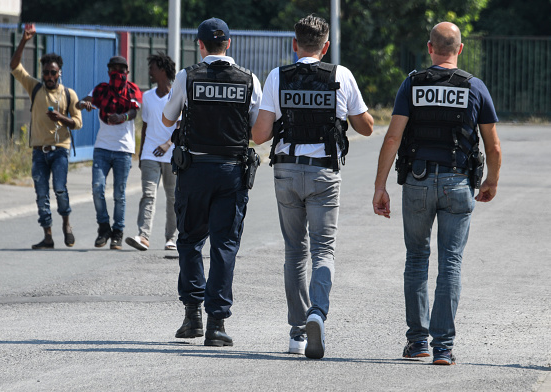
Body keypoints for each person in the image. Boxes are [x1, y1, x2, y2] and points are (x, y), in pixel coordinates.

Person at [372, 22, 502, 365]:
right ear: (459, 49)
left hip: (416, 181)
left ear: (430, 48)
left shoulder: (412, 83)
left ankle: (418, 343)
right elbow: (494, 145)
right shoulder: (475, 87)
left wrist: (379, 186)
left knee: (416, 259)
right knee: (451, 263)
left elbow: (392, 138)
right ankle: (443, 347)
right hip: (459, 183)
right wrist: (492, 181)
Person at [251, 15, 374, 359]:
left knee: (294, 251)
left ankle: (297, 332)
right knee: (323, 250)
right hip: (324, 173)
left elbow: (259, 136)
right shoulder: (341, 75)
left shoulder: (278, 77)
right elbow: (366, 127)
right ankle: (317, 313)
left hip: (287, 172)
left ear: (295, 44)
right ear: (326, 46)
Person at [162, 17, 262, 347]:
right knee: (224, 245)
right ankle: (216, 325)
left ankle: (192, 318)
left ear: (200, 45)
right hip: (232, 172)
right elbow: (255, 127)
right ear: (228, 44)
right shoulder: (249, 79)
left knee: (190, 240)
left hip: (194, 171)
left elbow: (167, 117)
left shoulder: (187, 76)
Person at [10, 23, 83, 250]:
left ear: (59, 72)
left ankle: (67, 225)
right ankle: (48, 236)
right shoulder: (35, 88)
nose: (49, 76)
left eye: (53, 72)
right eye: (46, 73)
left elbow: (78, 123)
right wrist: (24, 40)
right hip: (38, 151)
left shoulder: (69, 94)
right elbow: (14, 66)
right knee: (41, 194)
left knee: (60, 189)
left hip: (60, 149)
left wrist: (61, 118)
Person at [77, 56, 142, 250]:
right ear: (108, 71)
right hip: (102, 148)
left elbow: (134, 111)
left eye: (121, 69)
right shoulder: (101, 90)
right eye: (114, 69)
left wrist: (121, 116)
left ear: (127, 72)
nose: (118, 72)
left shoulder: (132, 89)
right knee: (98, 188)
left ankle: (117, 233)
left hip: (123, 149)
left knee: (119, 194)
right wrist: (84, 105)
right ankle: (104, 228)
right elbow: (81, 103)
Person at [125, 53, 178, 252]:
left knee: (173, 197)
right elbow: (145, 127)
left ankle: (171, 238)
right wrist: (140, 154)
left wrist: (167, 144)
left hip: (172, 154)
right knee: (148, 194)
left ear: (162, 71)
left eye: (152, 68)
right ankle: (143, 236)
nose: (149, 72)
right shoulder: (147, 97)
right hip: (149, 154)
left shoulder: (176, 96)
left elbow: (180, 126)